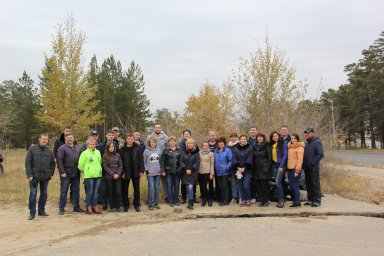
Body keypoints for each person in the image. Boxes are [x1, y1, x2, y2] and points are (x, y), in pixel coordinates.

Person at [25, 133, 55, 220]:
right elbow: (28, 163)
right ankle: (32, 213)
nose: (45, 140)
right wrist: (29, 175)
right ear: (39, 139)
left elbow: (53, 163)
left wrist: (51, 173)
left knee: (44, 194)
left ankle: (41, 211)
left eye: (46, 139)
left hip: (45, 177)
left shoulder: (49, 151)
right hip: (34, 176)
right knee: (33, 194)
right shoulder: (32, 149)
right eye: (43, 139)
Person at [57, 133, 82, 215]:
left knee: (76, 191)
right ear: (65, 139)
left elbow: (82, 160)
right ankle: (61, 208)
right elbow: (59, 161)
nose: (70, 139)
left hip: (76, 173)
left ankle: (76, 207)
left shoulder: (78, 148)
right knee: (64, 191)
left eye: (71, 138)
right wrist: (62, 172)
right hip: (66, 174)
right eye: (68, 138)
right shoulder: (62, 148)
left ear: (73, 138)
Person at [120, 133, 145, 212]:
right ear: (126, 140)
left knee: (136, 189)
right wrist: (122, 172)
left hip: (136, 172)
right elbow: (120, 162)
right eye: (128, 139)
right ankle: (126, 205)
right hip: (126, 172)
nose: (130, 140)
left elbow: (141, 160)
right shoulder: (122, 149)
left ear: (133, 140)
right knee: (125, 190)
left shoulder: (137, 148)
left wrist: (141, 170)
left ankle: (136, 204)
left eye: (131, 139)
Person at [78, 138, 103, 215]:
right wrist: (86, 171)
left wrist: (99, 169)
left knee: (95, 193)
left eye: (93, 144)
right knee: (89, 192)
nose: (92, 145)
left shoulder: (98, 152)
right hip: (89, 176)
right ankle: (88, 206)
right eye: (90, 144)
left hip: (98, 175)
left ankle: (94, 206)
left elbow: (100, 162)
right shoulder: (84, 153)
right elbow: (80, 165)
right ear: (87, 145)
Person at [145, 124, 169, 203]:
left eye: (159, 127)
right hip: (151, 163)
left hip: (162, 161)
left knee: (164, 182)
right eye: (156, 128)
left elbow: (167, 148)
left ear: (161, 129)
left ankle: (166, 197)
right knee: (151, 185)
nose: (157, 129)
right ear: (154, 129)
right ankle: (149, 199)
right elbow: (146, 148)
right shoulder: (149, 137)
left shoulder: (165, 137)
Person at [303, 128, 324, 207]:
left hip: (313, 167)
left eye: (308, 133)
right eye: (306, 133)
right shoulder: (307, 143)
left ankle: (317, 200)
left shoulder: (317, 142)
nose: (307, 134)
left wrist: (312, 163)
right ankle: (310, 199)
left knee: (315, 184)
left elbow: (320, 154)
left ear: (312, 133)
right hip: (306, 167)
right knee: (308, 184)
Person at [232, 134, 253, 207]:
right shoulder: (236, 148)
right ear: (239, 140)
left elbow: (250, 158)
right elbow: (234, 159)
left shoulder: (250, 148)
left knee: (246, 185)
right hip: (238, 171)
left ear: (246, 140)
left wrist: (244, 168)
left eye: (244, 139)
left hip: (246, 170)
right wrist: (238, 168)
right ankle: (243, 200)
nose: (243, 140)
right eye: (242, 139)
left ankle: (248, 199)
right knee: (240, 186)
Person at [160, 136, 181, 207]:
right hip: (168, 171)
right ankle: (170, 200)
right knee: (169, 186)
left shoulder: (179, 150)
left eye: (173, 141)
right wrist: (162, 170)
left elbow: (181, 161)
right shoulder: (165, 151)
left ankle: (176, 200)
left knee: (177, 186)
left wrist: (179, 169)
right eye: (171, 141)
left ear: (175, 142)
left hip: (177, 172)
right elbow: (162, 161)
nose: (172, 142)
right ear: (168, 143)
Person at [180, 138, 200, 210]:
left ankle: (190, 203)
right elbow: (181, 162)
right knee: (187, 188)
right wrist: (186, 169)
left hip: (193, 173)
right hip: (185, 173)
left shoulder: (196, 153)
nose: (190, 144)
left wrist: (191, 169)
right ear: (187, 145)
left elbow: (197, 163)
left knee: (191, 187)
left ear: (193, 145)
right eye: (189, 143)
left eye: (192, 143)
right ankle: (190, 201)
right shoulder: (183, 152)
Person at [269, 131, 288, 208]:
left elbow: (285, 155)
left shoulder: (283, 143)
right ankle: (282, 197)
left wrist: (281, 166)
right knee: (280, 182)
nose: (275, 137)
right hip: (274, 165)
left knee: (277, 182)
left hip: (281, 166)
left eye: (276, 136)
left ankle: (280, 200)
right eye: (273, 136)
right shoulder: (272, 145)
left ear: (278, 136)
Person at [103, 141, 123, 212]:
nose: (111, 148)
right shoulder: (105, 156)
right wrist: (113, 174)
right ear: (107, 148)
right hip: (109, 177)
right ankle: (112, 207)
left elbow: (120, 165)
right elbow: (105, 167)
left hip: (117, 177)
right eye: (110, 147)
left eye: (112, 147)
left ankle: (118, 206)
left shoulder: (117, 155)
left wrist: (118, 174)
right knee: (110, 192)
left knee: (118, 192)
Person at [144, 137, 163, 210]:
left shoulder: (159, 150)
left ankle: (156, 203)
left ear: (156, 143)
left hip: (158, 172)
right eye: (151, 142)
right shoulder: (146, 151)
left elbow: (160, 161)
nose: (153, 143)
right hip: (150, 173)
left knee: (157, 188)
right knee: (151, 188)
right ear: (149, 143)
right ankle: (149, 203)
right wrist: (147, 170)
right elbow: (144, 162)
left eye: (154, 142)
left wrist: (160, 170)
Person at [253, 132, 272, 207]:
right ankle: (261, 200)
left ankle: (266, 200)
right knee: (258, 186)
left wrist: (267, 168)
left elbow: (269, 158)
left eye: (261, 137)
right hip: (256, 169)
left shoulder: (267, 145)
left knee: (265, 186)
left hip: (264, 168)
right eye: (258, 137)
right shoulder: (254, 146)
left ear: (263, 138)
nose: (259, 138)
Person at [287, 133, 305, 207]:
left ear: (297, 139)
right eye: (292, 138)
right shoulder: (290, 147)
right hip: (290, 169)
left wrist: (297, 171)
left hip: (295, 169)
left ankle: (297, 202)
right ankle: (295, 200)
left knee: (295, 186)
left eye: (294, 138)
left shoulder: (300, 148)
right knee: (291, 186)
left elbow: (300, 161)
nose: (293, 140)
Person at [214, 136, 232, 206]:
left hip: (225, 172)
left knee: (225, 187)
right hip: (218, 172)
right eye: (219, 142)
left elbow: (231, 160)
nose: (220, 144)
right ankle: (222, 200)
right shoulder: (216, 151)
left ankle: (226, 201)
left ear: (224, 143)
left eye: (221, 142)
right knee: (220, 187)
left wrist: (226, 168)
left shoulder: (228, 150)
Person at [198, 142, 214, 207]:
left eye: (206, 145)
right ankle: (204, 200)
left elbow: (212, 164)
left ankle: (209, 199)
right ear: (202, 146)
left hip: (207, 172)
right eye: (204, 145)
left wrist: (212, 173)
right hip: (200, 172)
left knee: (205, 187)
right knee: (201, 187)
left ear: (208, 146)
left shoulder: (211, 153)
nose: (205, 147)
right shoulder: (199, 153)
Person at [228, 132, 240, 204]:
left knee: (240, 182)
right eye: (232, 137)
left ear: (237, 137)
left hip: (239, 167)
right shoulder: (228, 146)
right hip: (232, 167)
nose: (233, 138)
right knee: (233, 182)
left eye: (234, 137)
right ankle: (234, 197)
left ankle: (240, 197)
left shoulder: (239, 145)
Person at [248, 126, 258, 203]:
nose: (253, 131)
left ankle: (261, 197)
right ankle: (253, 196)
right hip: (250, 165)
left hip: (259, 164)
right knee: (251, 181)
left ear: (256, 131)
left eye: (254, 130)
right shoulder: (247, 141)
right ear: (249, 132)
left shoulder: (260, 140)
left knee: (261, 181)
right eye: (251, 130)